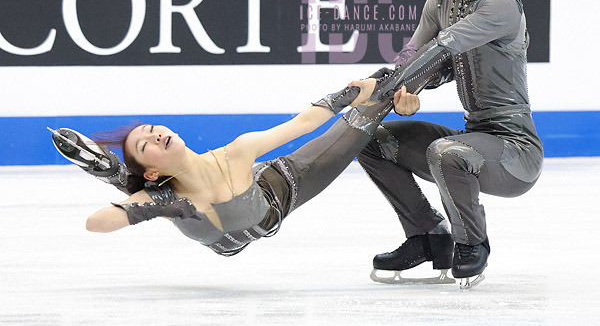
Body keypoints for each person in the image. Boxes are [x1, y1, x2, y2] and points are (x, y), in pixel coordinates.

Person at [356, 0, 544, 288]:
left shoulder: (504, 5)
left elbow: (444, 47)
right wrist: (402, 93)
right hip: (473, 137)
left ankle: (472, 243)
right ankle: (429, 236)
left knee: (447, 153)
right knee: (371, 142)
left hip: (515, 153)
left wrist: (389, 87)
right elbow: (413, 57)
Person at [51, 74, 431, 258]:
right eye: (145, 144)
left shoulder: (238, 151)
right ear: (151, 170)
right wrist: (154, 207)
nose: (155, 135)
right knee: (158, 198)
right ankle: (118, 175)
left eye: (153, 129)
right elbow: (95, 224)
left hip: (285, 184)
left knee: (368, 114)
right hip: (203, 221)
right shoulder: (163, 196)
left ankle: (421, 71)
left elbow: (301, 124)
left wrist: (353, 95)